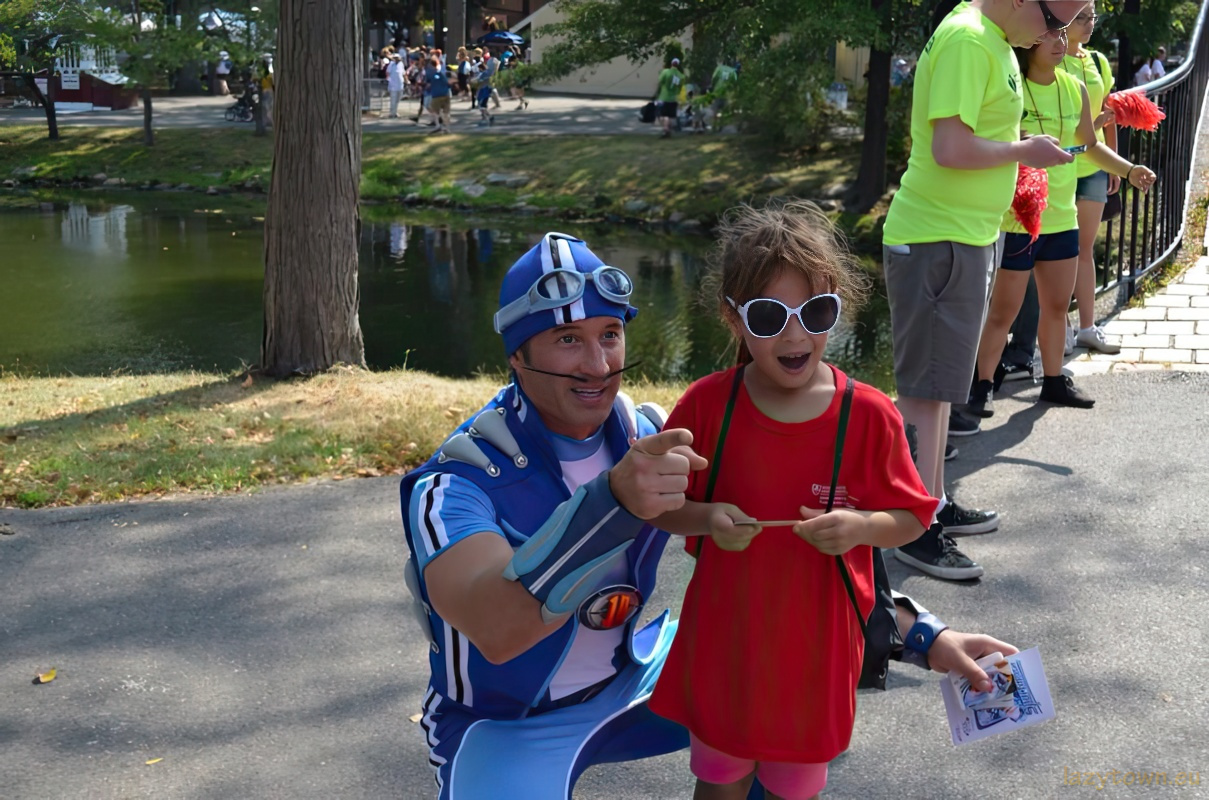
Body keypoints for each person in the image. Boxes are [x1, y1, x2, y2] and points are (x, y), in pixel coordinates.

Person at [398, 231, 1020, 799]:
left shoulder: (649, 436)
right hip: (507, 721)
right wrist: (613, 503)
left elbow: (790, 567)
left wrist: (924, 636)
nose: (596, 366)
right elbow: (497, 631)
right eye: (567, 341)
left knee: (768, 723)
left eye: (608, 335)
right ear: (514, 354)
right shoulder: (459, 482)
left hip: (634, 679)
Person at [645, 202, 937, 800]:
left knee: (792, 787)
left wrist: (859, 526)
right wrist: (705, 517)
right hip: (729, 643)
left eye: (817, 312)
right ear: (734, 319)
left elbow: (910, 518)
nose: (796, 335)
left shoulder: (868, 415)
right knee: (719, 781)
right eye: (771, 316)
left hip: (816, 653)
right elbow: (659, 504)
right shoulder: (707, 406)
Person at [879, 0, 1086, 581]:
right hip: (936, 239)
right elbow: (949, 147)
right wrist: (1025, 152)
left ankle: (933, 503)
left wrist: (1017, 148)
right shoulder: (971, 41)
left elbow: (978, 133)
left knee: (941, 386)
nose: (1055, 35)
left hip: (964, 237)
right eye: (1053, 22)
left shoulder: (993, 38)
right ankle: (912, 528)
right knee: (924, 389)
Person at [966, 33, 1157, 416]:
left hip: (1061, 218)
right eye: (1050, 35)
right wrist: (1023, 142)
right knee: (1003, 311)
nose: (1060, 41)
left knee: (1056, 306)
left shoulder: (1075, 88)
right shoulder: (1011, 85)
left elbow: (1089, 144)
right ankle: (982, 385)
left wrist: (1129, 169)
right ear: (1029, 44)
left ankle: (1053, 381)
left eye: (1063, 34)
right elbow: (990, 139)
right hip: (1017, 218)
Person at [1060, 2, 1123, 354]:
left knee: (1084, 249)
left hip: (1093, 168)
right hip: (1062, 166)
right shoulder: (1049, 57)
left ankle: (1087, 326)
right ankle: (1061, 327)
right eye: (1081, 18)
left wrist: (1114, 163)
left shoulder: (1097, 61)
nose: (1089, 24)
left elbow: (1108, 112)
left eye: (1092, 17)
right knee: (1060, 251)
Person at [655, 57, 685, 139]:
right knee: (670, 115)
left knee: (663, 115)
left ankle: (666, 130)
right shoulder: (681, 76)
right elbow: (679, 88)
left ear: (671, 63)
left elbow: (660, 82)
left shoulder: (665, 72)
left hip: (664, 97)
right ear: (678, 65)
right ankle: (668, 130)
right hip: (674, 98)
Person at [425, 54, 453, 134]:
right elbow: (447, 83)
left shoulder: (430, 73)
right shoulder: (441, 72)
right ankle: (447, 128)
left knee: (434, 111)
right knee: (446, 113)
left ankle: (438, 125)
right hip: (445, 93)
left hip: (436, 94)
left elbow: (428, 84)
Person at [387, 53, 405, 119]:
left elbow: (403, 73)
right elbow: (388, 72)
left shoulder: (401, 64)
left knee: (398, 99)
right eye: (395, 58)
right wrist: (388, 80)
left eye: (397, 58)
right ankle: (392, 113)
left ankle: (395, 111)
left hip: (400, 85)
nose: (396, 59)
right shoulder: (391, 64)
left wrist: (406, 80)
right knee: (393, 99)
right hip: (393, 85)